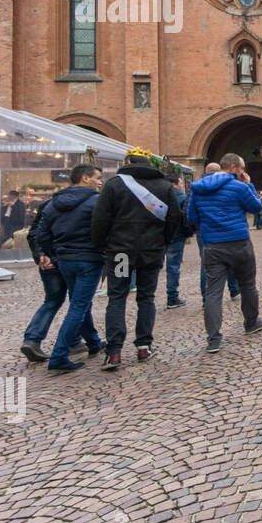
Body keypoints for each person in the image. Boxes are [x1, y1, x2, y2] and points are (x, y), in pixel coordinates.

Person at [90, 147, 181, 371]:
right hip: (151, 251)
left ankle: (114, 352)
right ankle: (143, 346)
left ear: (128, 162)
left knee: (117, 298)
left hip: (121, 253)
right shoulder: (164, 186)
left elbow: (100, 218)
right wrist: (164, 242)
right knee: (146, 297)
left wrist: (101, 245)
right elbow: (175, 217)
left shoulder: (114, 185)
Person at [186, 152, 262, 354]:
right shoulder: (239, 187)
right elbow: (256, 207)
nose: (243, 172)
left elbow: (191, 216)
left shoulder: (197, 189)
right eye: (241, 168)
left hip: (212, 245)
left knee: (213, 292)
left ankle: (213, 339)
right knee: (247, 285)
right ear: (233, 168)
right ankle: (251, 323)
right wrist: (249, 184)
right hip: (239, 242)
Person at [35, 164, 106, 373]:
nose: (100, 181)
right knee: (79, 306)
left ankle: (93, 342)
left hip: (65, 260)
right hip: (88, 259)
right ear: (85, 178)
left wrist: (54, 254)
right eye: (98, 177)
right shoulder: (96, 201)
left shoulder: (53, 203)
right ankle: (59, 356)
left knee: (79, 302)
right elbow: (104, 229)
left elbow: (42, 233)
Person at [21, 193, 67, 363]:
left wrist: (41, 254)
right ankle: (77, 341)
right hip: (71, 259)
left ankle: (32, 339)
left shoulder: (48, 204)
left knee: (53, 300)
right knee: (80, 302)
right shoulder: (91, 202)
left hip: (48, 260)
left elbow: (34, 233)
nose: (99, 183)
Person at [195, 163, 240, 302]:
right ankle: (234, 290)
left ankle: (206, 297)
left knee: (206, 263)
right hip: (226, 229)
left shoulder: (196, 186)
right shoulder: (227, 184)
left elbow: (188, 212)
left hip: (204, 230)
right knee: (231, 259)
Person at [165, 177, 192, 309]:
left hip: (159, 235)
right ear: (175, 184)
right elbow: (186, 216)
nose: (182, 185)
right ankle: (172, 296)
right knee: (173, 266)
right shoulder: (181, 197)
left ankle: (147, 295)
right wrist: (188, 232)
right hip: (176, 235)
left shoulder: (158, 194)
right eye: (180, 183)